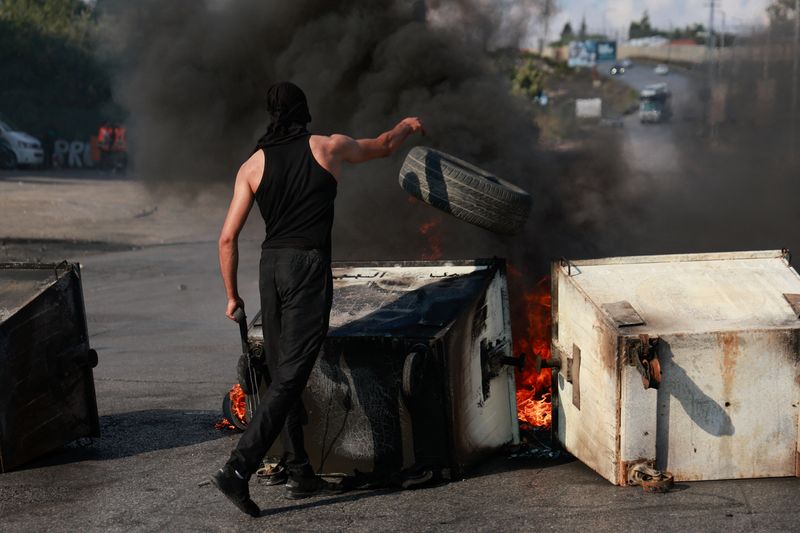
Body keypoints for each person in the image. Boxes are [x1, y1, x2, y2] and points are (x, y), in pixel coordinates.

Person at [211, 81, 424, 517]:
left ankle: (300, 470)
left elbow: (228, 237)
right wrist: (405, 126)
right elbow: (383, 146)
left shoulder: (252, 165)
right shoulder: (328, 147)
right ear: (304, 111)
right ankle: (238, 467)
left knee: (280, 370)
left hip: (271, 268)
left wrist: (232, 295)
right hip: (306, 266)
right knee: (290, 375)